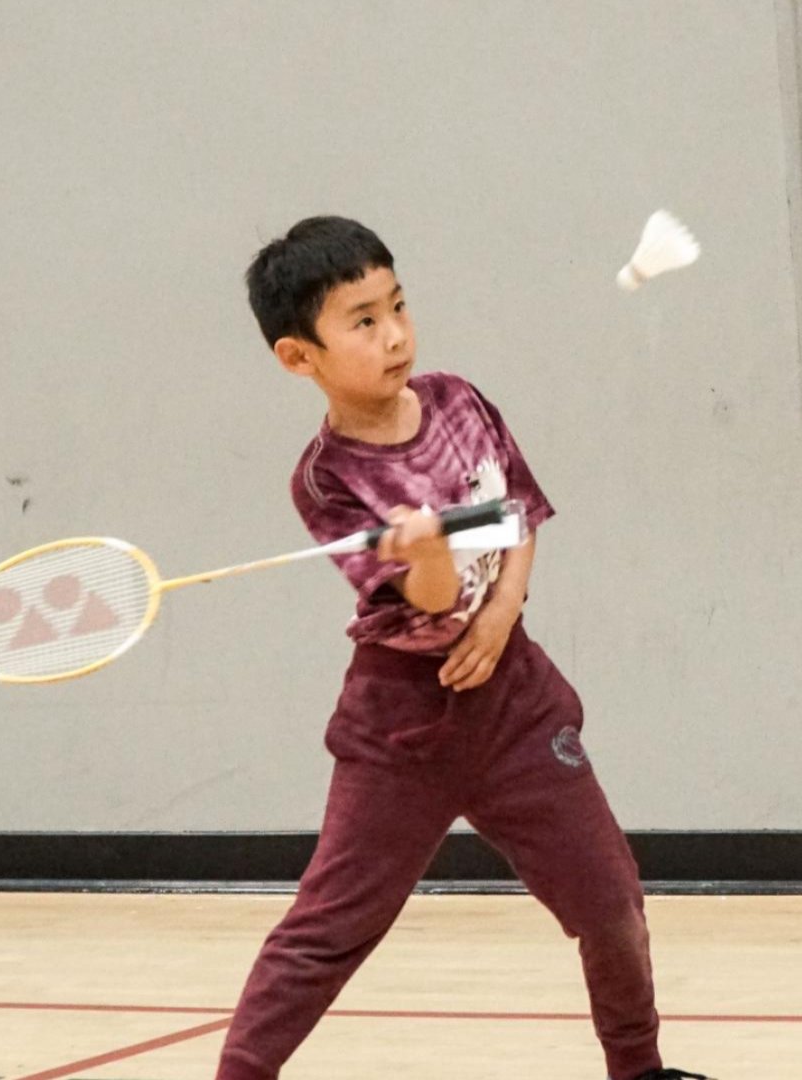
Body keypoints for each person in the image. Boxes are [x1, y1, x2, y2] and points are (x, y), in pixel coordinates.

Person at [218, 215, 709, 1080]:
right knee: (329, 929)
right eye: (362, 321)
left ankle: (639, 1072)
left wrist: (505, 607)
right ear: (299, 357)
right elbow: (430, 604)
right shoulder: (328, 481)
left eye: (398, 305)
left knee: (610, 902)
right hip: (402, 724)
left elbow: (518, 511)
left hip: (514, 702)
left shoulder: (458, 401)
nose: (395, 334)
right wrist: (431, 557)